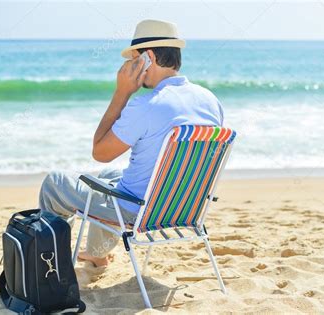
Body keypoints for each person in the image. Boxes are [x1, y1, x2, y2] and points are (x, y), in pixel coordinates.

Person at [39, 19, 224, 267]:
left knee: (55, 182)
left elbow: (100, 151)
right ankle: (97, 254)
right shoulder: (209, 100)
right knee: (110, 174)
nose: (128, 66)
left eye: (134, 58)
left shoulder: (147, 104)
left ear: (148, 58)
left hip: (139, 211)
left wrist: (122, 93)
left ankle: (48, 265)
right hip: (182, 208)